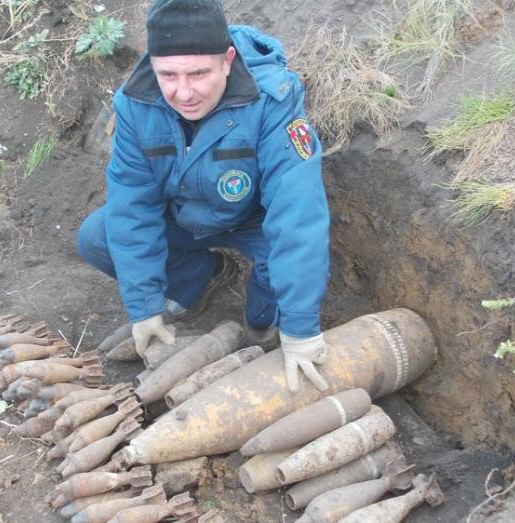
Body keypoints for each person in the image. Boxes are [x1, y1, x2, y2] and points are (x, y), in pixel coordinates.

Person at [76, 0, 330, 392]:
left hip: (253, 223)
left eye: (198, 73)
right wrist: (144, 306)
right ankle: (201, 278)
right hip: (184, 216)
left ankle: (262, 318)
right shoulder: (136, 103)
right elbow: (132, 206)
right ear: (153, 66)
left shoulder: (273, 102)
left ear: (227, 61)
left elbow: (297, 215)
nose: (184, 92)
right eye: (169, 75)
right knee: (97, 235)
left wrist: (300, 327)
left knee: (264, 320)